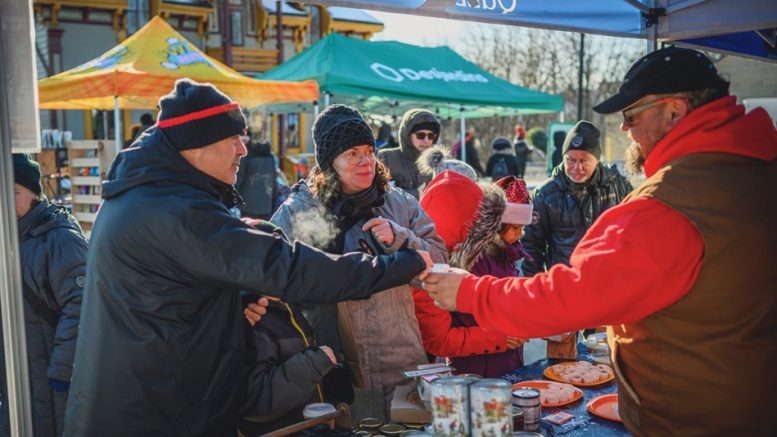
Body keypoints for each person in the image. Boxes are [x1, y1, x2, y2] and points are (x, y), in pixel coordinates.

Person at [421, 46, 777, 436]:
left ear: (674, 111)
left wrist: (472, 293)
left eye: (631, 115)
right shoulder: (755, 172)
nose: (625, 128)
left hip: (695, 416)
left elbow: (573, 294)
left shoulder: (671, 203)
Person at [64, 80, 432, 437]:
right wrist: (405, 262)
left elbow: (171, 292)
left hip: (155, 398)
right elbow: (288, 268)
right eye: (233, 139)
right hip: (150, 412)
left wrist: (234, 297)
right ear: (198, 144)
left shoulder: (153, 196)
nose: (243, 149)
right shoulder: (173, 209)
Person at [271, 104, 447, 421]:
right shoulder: (297, 212)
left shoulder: (398, 202)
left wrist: (403, 239)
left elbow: (440, 261)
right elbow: (273, 278)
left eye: (369, 151)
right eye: (352, 153)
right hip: (334, 366)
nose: (366, 161)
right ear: (329, 162)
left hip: (401, 360)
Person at [521, 120, 632, 358]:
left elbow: (634, 235)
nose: (576, 167)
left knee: (606, 358)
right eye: (571, 160)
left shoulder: (619, 186)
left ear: (597, 160)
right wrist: (533, 292)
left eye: (584, 161)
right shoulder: (546, 193)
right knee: (560, 363)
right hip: (563, 288)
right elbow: (532, 246)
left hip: (606, 288)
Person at [0, 154, 87, 437]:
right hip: (16, 376)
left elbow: (81, 307)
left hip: (52, 378)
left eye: (13, 192)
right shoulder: (7, 237)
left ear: (34, 195)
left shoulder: (60, 239)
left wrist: (61, 373)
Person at [413, 173, 533, 377]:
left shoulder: (502, 252)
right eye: (514, 227)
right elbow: (439, 339)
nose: (519, 234)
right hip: (475, 372)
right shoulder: (434, 266)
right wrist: (499, 337)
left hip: (505, 361)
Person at [238, 222, 351, 435]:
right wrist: (315, 363)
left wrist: (332, 377)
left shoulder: (286, 305)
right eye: (272, 263)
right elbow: (256, 402)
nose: (283, 271)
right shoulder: (251, 318)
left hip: (307, 427)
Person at [377, 108, 441, 199]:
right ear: (408, 135)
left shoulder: (437, 164)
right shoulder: (386, 157)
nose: (426, 140)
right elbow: (377, 193)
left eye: (430, 136)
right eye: (421, 135)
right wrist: (416, 194)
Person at [235, 138, 288, 219]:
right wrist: (273, 200)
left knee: (249, 229)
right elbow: (273, 180)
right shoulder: (271, 157)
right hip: (266, 205)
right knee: (263, 230)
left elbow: (239, 179)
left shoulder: (247, 157)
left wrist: (234, 195)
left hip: (248, 205)